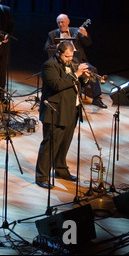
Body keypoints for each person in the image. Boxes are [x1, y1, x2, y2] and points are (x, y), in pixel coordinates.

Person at [35, 41, 90, 189]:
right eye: (67, 56)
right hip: (55, 111)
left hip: (71, 110)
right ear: (59, 52)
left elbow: (77, 85)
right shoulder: (49, 66)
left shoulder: (73, 64)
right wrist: (75, 75)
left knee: (65, 143)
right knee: (50, 145)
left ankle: (60, 169)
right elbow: (57, 85)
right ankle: (42, 176)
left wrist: (84, 77)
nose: (69, 59)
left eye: (71, 56)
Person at [44, 14, 107, 108]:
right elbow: (46, 48)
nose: (61, 24)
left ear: (68, 22)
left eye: (63, 22)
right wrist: (56, 46)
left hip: (78, 61)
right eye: (59, 22)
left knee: (92, 69)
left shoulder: (75, 31)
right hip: (62, 63)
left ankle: (96, 98)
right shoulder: (52, 34)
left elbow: (88, 43)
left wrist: (85, 35)